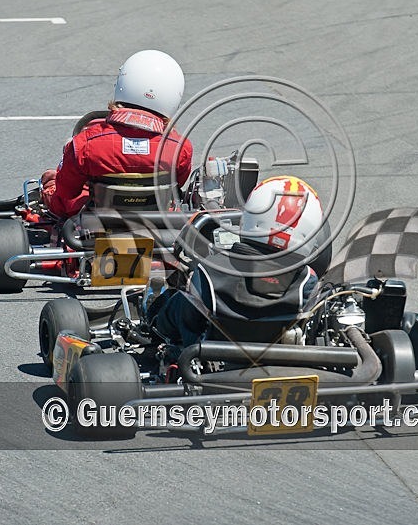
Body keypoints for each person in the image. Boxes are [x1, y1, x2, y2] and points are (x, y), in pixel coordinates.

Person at [153, 176, 325, 346]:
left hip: (209, 369)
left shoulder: (210, 272)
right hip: (281, 368)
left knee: (173, 304)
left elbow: (177, 326)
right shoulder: (307, 283)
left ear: (249, 216)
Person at [41, 50, 193, 218]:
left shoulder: (85, 144)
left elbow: (67, 192)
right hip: (157, 222)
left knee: (54, 183)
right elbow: (177, 184)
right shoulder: (180, 149)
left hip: (97, 226)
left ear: (124, 83)